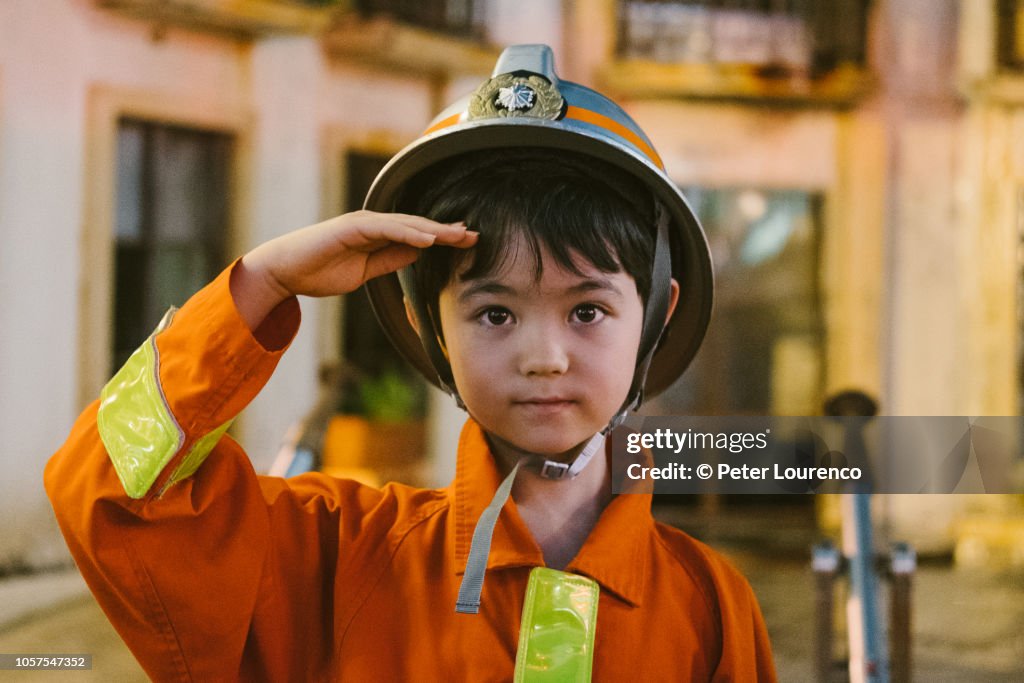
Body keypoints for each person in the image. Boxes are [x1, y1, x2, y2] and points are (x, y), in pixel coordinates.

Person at [46, 45, 776, 681]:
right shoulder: (333, 556)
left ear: (658, 315)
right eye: (495, 313)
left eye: (587, 311)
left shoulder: (710, 605)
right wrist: (262, 285)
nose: (545, 358)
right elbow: (109, 493)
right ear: (432, 328)